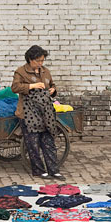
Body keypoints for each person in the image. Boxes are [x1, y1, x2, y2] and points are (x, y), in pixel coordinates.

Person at [11, 45, 66, 181]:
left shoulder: (45, 71)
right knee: (33, 144)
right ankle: (39, 170)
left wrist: (53, 90)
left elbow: (52, 84)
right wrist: (31, 86)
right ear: (30, 59)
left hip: (45, 112)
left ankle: (54, 170)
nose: (40, 63)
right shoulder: (21, 72)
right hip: (28, 113)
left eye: (42, 60)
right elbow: (15, 87)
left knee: (49, 142)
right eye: (38, 61)